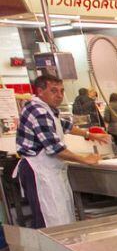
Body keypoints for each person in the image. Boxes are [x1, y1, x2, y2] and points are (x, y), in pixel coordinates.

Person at [15, 74, 108, 228]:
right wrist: (84, 159)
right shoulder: (39, 111)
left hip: (48, 171)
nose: (59, 95)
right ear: (40, 91)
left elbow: (64, 125)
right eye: (53, 91)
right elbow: (55, 148)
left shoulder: (47, 110)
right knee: (49, 221)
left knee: (60, 216)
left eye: (61, 91)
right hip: (39, 172)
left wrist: (89, 134)